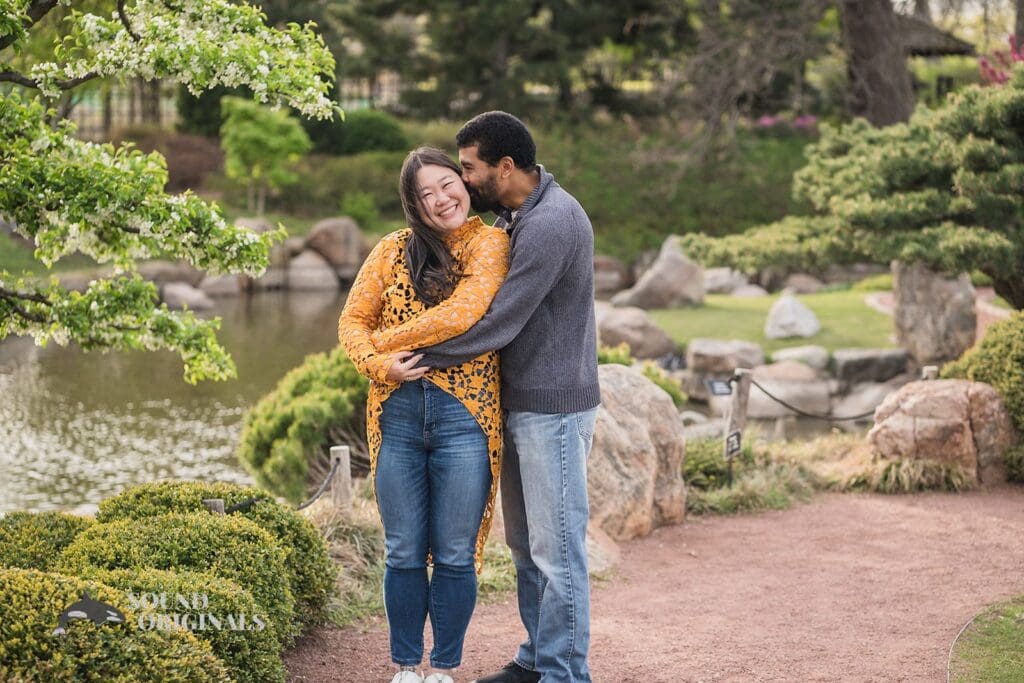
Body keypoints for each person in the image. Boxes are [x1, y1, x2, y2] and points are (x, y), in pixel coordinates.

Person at [403, 111, 601, 683]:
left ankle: (565, 673)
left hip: (554, 410)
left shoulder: (552, 222)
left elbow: (502, 321)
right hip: (522, 403)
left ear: (505, 167)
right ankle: (539, 658)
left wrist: (422, 357)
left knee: (558, 552)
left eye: (468, 170)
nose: (463, 183)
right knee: (526, 547)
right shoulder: (519, 216)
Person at [337, 146, 511, 683]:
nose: (441, 200)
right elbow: (351, 322)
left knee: (456, 553)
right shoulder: (390, 251)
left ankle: (445, 668)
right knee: (404, 550)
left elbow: (463, 314)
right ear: (413, 206)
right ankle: (407, 667)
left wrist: (384, 341)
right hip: (398, 417)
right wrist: (378, 365)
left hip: (467, 416)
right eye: (424, 195)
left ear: (464, 182)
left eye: (446, 184)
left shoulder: (490, 243)